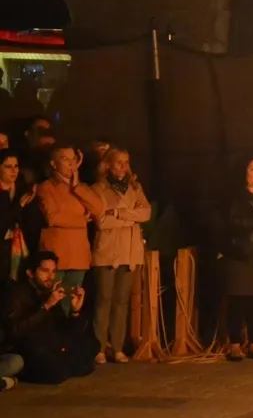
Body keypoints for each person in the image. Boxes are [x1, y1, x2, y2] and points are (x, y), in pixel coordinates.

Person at [0, 251, 98, 384]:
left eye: (53, 271)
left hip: (50, 349)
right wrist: (46, 306)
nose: (50, 276)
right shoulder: (18, 293)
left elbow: (65, 330)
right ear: (30, 273)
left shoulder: (49, 293)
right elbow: (15, 332)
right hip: (25, 350)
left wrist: (75, 312)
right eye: (45, 271)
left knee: (92, 344)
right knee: (56, 370)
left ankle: (68, 366)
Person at [90, 148, 151, 364]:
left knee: (122, 301)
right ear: (107, 165)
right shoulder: (98, 189)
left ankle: (116, 347)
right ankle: (98, 347)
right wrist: (131, 219)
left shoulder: (135, 187)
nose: (122, 167)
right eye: (118, 162)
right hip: (108, 252)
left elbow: (146, 213)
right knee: (103, 299)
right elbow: (101, 222)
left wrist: (118, 213)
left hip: (129, 252)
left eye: (126, 162)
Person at [218, 156, 253, 362]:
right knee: (237, 300)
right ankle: (234, 343)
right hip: (239, 255)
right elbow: (232, 223)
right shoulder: (234, 196)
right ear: (243, 171)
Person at [37, 144, 105, 310]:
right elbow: (53, 217)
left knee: (72, 303)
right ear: (53, 164)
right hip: (56, 256)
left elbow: (99, 209)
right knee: (54, 304)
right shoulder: (47, 187)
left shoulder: (81, 188)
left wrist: (77, 187)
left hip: (78, 255)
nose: (70, 164)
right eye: (65, 159)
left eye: (73, 159)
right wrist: (82, 220)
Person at [0, 150, 36, 282]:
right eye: (8, 167)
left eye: (16, 166)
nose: (13, 170)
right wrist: (18, 206)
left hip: (20, 248)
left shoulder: (23, 189)